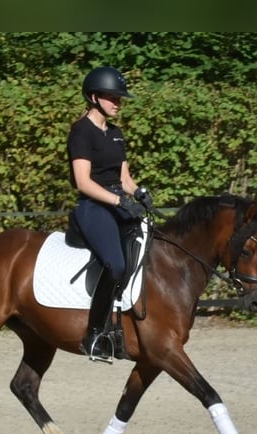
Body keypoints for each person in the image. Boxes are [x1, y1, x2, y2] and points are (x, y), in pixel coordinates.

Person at [67, 66, 153, 361]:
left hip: (118, 203)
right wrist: (117, 202)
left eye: (120, 98)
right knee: (115, 265)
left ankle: (126, 325)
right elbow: (83, 182)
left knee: (148, 248)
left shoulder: (116, 134)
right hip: (93, 207)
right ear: (94, 97)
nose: (118, 102)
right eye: (112, 97)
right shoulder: (81, 132)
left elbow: (124, 179)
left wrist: (139, 193)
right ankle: (93, 334)